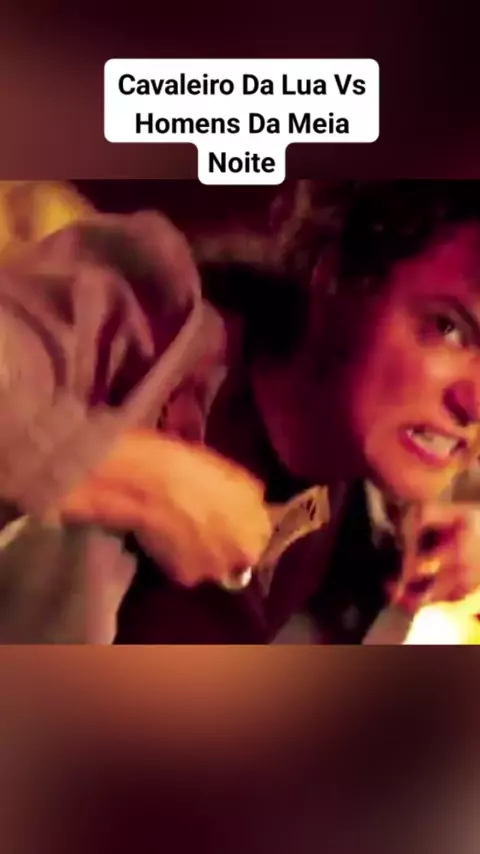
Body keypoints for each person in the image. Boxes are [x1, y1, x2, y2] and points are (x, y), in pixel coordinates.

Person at [3, 180, 480, 643]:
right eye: (449, 328)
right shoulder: (144, 306)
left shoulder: (365, 479)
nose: (475, 403)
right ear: (341, 277)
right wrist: (127, 476)